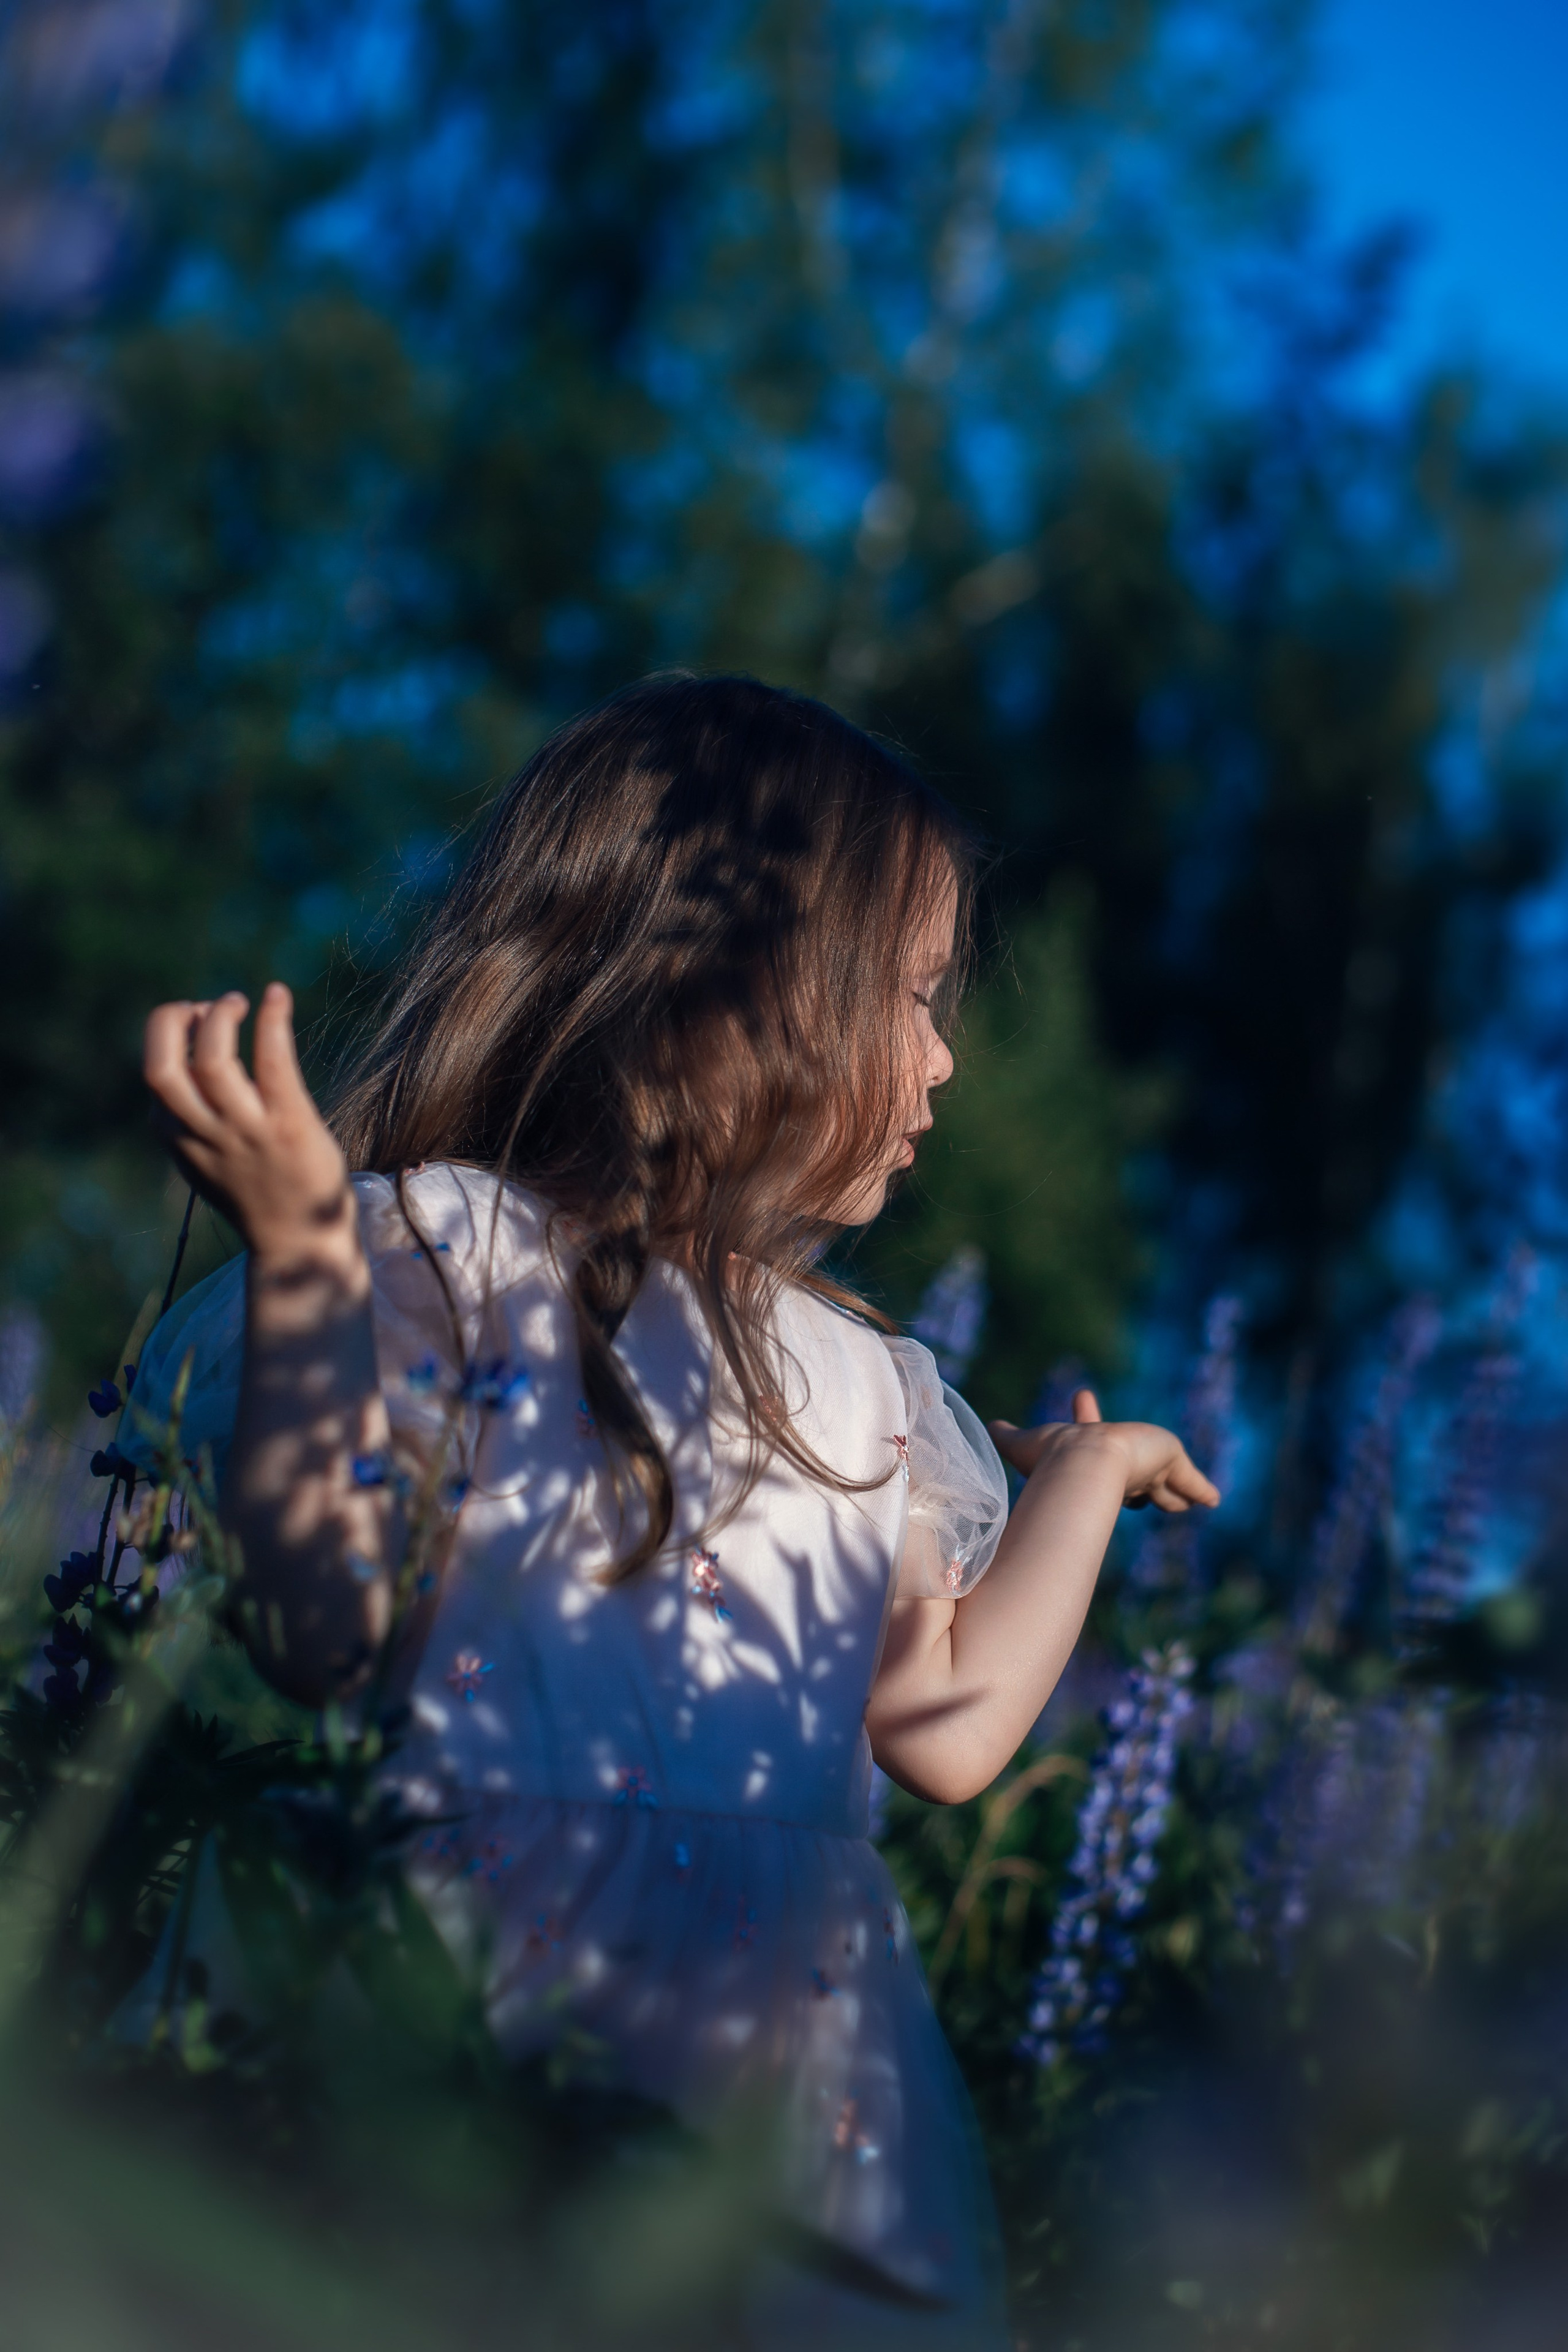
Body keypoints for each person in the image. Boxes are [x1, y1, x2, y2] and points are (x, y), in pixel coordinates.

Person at [130, 673, 1218, 2348]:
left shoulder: (859, 1383)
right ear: (735, 989)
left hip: (763, 2080)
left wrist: (1077, 1481)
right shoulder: (439, 1258)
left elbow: (943, 1728)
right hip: (437, 1987)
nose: (945, 1058)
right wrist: (300, 1271)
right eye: (912, 996)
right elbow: (319, 1625)